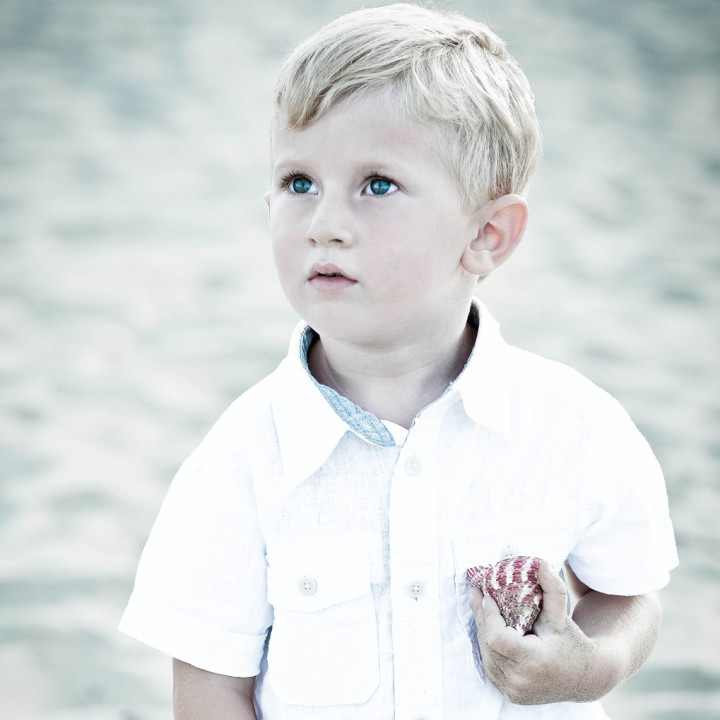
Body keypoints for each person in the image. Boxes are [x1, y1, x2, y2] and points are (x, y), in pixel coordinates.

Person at [119, 4, 678, 718]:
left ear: (486, 234)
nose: (324, 224)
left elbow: (629, 595)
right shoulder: (242, 459)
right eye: (298, 182)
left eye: (377, 184)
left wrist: (588, 667)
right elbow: (210, 683)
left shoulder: (574, 424)